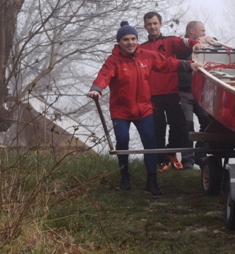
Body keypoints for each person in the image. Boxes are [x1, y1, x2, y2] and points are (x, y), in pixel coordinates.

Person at [87, 21, 192, 196]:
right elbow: (103, 75)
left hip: (144, 108)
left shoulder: (146, 56)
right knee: (122, 139)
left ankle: (152, 180)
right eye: (126, 39)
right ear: (119, 42)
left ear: (137, 40)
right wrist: (96, 89)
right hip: (121, 110)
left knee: (150, 143)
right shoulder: (113, 60)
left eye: (133, 39)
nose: (130, 42)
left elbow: (166, 63)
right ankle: (124, 175)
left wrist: (188, 65)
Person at [139, 12, 203, 172]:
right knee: (158, 129)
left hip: (172, 92)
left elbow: (185, 41)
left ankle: (170, 151)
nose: (152, 27)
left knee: (180, 125)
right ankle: (162, 162)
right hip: (152, 95)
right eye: (149, 24)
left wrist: (196, 42)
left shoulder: (170, 41)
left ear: (160, 24)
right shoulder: (141, 48)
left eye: (155, 23)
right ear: (145, 26)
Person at [177, 20, 212, 169]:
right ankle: (187, 161)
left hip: (200, 93)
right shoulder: (181, 45)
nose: (204, 33)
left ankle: (200, 153)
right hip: (184, 92)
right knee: (187, 126)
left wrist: (211, 41)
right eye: (202, 31)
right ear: (192, 32)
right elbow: (181, 57)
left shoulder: (203, 44)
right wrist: (196, 44)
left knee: (208, 122)